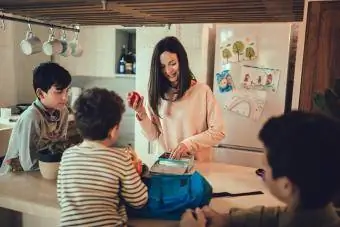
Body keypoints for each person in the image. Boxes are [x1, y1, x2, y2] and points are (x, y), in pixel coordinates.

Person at [180, 111, 340, 227]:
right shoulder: (319, 212)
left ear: (286, 186)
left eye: (264, 167)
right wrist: (227, 220)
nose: (262, 173)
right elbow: (278, 216)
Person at [57, 88, 148, 227]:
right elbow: (139, 200)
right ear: (113, 131)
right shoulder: (120, 158)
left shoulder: (67, 156)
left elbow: (62, 197)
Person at [127, 36, 225, 161]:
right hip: (169, 165)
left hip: (199, 167)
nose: (168, 71)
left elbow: (218, 131)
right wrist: (141, 113)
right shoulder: (157, 95)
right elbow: (153, 136)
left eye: (172, 64)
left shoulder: (202, 91)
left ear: (182, 61)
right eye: (162, 67)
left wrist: (187, 145)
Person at [0, 62, 71, 173]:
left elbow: (60, 147)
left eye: (67, 91)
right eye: (59, 92)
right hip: (17, 174)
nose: (65, 97)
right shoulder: (31, 117)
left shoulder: (63, 112)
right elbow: (29, 164)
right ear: (41, 94)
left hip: (45, 168)